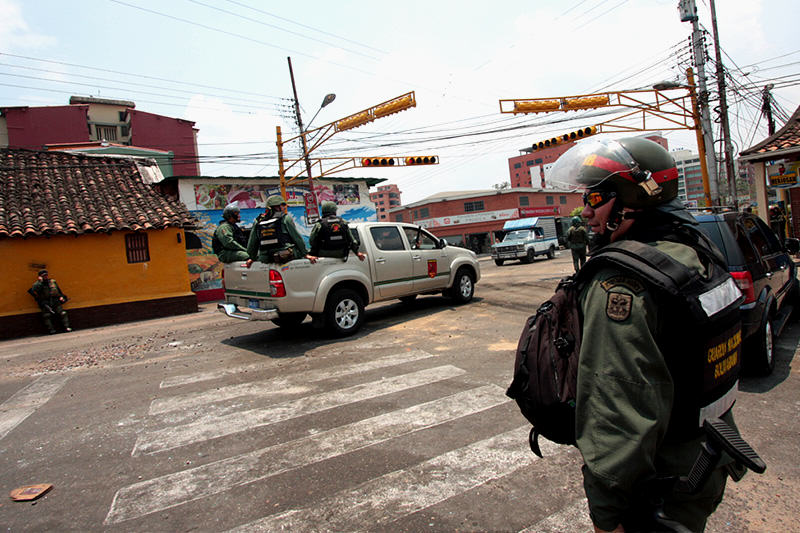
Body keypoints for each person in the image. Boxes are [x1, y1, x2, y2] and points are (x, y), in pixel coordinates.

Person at [550, 137, 744, 532]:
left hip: (659, 485)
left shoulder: (622, 282)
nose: (584, 211)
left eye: (595, 198)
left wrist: (607, 515)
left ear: (632, 198)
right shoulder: (696, 252)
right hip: (706, 461)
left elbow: (616, 410)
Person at [246, 195, 315, 267]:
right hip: (283, 255)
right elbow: (297, 238)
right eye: (282, 206)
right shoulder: (285, 218)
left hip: (265, 258)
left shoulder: (258, 221)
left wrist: (252, 258)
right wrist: (305, 254)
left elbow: (252, 242)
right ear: (275, 207)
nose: (284, 208)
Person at [28, 269, 71, 334]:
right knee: (47, 316)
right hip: (45, 302)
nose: (46, 276)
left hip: (55, 301)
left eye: (46, 275)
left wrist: (61, 296)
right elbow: (35, 291)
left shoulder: (52, 281)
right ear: (40, 276)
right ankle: (51, 329)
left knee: (63, 313)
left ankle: (67, 327)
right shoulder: (37, 284)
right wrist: (40, 282)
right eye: (43, 276)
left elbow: (58, 291)